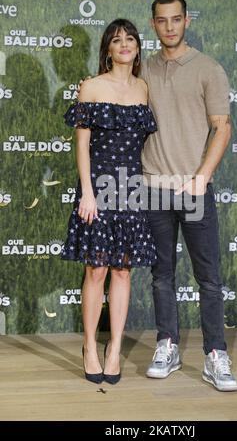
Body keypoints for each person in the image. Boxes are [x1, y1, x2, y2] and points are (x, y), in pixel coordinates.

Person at [140, 0, 237, 392]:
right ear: (153, 24)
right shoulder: (143, 70)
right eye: (162, 21)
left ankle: (215, 354)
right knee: (161, 275)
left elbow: (222, 126)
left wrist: (202, 176)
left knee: (208, 278)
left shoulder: (208, 68)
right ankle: (168, 344)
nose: (169, 27)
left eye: (176, 20)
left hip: (195, 189)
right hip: (153, 190)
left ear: (187, 21)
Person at [61, 19, 157, 385]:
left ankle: (114, 348)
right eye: (117, 40)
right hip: (97, 189)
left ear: (136, 46)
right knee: (96, 270)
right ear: (108, 49)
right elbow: (82, 144)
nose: (124, 45)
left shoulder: (144, 89)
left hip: (130, 189)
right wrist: (86, 192)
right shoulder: (91, 86)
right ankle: (89, 345)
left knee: (122, 270)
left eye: (130, 39)